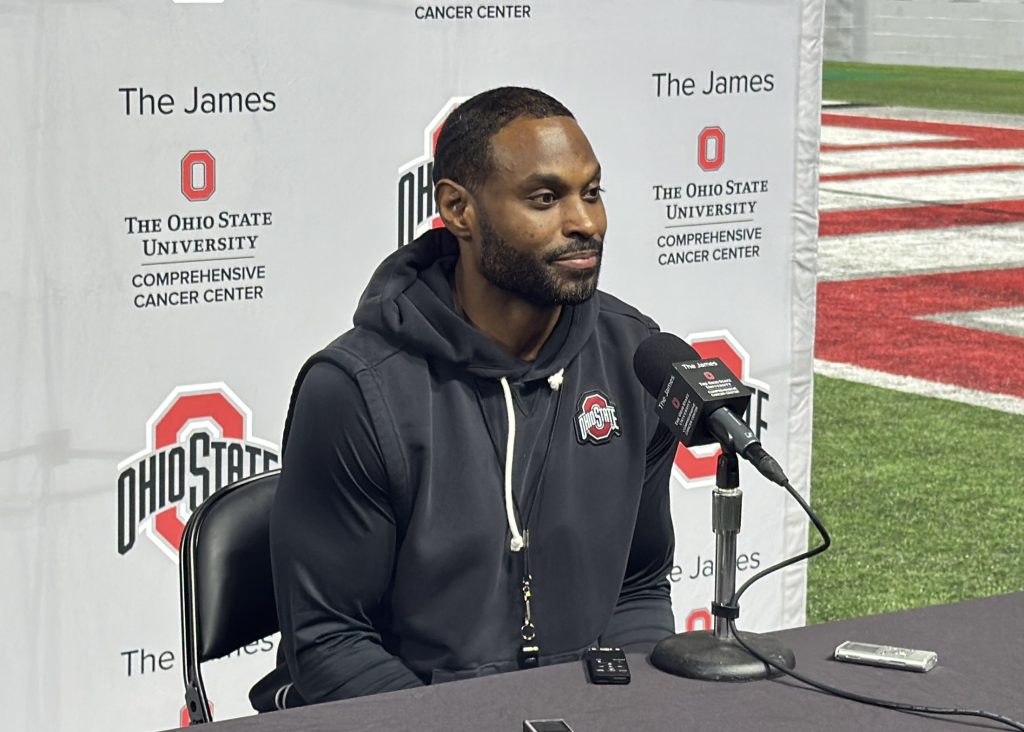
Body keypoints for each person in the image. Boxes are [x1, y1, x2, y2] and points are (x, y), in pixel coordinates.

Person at [269, 86, 677, 705]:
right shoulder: (358, 388)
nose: (585, 223)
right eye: (545, 198)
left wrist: (622, 708)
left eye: (591, 193)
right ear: (458, 209)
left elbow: (640, 585)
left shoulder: (634, 359)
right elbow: (329, 641)